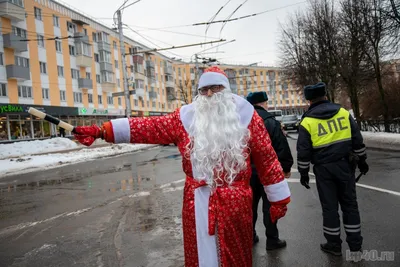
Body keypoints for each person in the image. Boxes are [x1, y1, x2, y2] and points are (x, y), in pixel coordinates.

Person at [72, 66, 291, 267]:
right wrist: (103, 131)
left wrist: (278, 199)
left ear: (226, 90)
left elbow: (267, 158)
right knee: (199, 254)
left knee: (236, 256)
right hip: (196, 201)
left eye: (216, 88)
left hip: (236, 202)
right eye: (204, 90)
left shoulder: (248, 116)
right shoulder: (185, 118)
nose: (210, 95)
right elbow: (149, 127)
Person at [296, 82, 369, 256]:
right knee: (350, 205)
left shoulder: (307, 121)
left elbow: (303, 151)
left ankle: (334, 244)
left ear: (309, 100)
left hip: (323, 170)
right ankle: (355, 247)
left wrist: (304, 173)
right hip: (345, 165)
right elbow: (357, 139)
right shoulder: (343, 113)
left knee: (330, 208)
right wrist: (362, 161)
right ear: (325, 96)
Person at [246, 91, 293, 250]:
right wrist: (286, 167)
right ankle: (272, 240)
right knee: (270, 207)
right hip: (268, 172)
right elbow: (281, 146)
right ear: (264, 102)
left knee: (250, 207)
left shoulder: (242, 121)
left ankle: (250, 236)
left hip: (248, 173)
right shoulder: (271, 122)